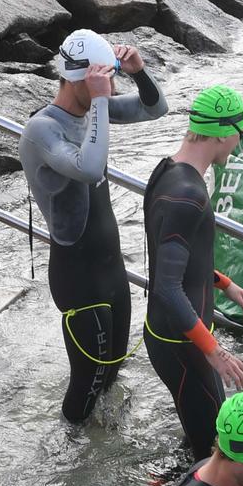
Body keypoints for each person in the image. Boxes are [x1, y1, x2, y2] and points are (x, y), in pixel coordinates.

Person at [19, 29, 168, 425]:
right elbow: (86, 168)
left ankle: (103, 448)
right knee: (87, 381)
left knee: (113, 369)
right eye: (104, 78)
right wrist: (102, 100)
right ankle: (69, 458)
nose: (111, 85)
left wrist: (138, 73)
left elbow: (157, 109)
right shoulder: (43, 130)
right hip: (77, 276)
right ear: (79, 78)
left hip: (110, 269)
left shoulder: (91, 111)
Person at [143, 86, 243, 461]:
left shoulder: (167, 172)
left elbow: (177, 260)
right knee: (215, 452)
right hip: (182, 344)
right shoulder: (188, 196)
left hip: (172, 336)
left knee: (203, 434)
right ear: (224, 132)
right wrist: (216, 353)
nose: (237, 146)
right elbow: (167, 286)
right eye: (238, 136)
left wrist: (225, 284)